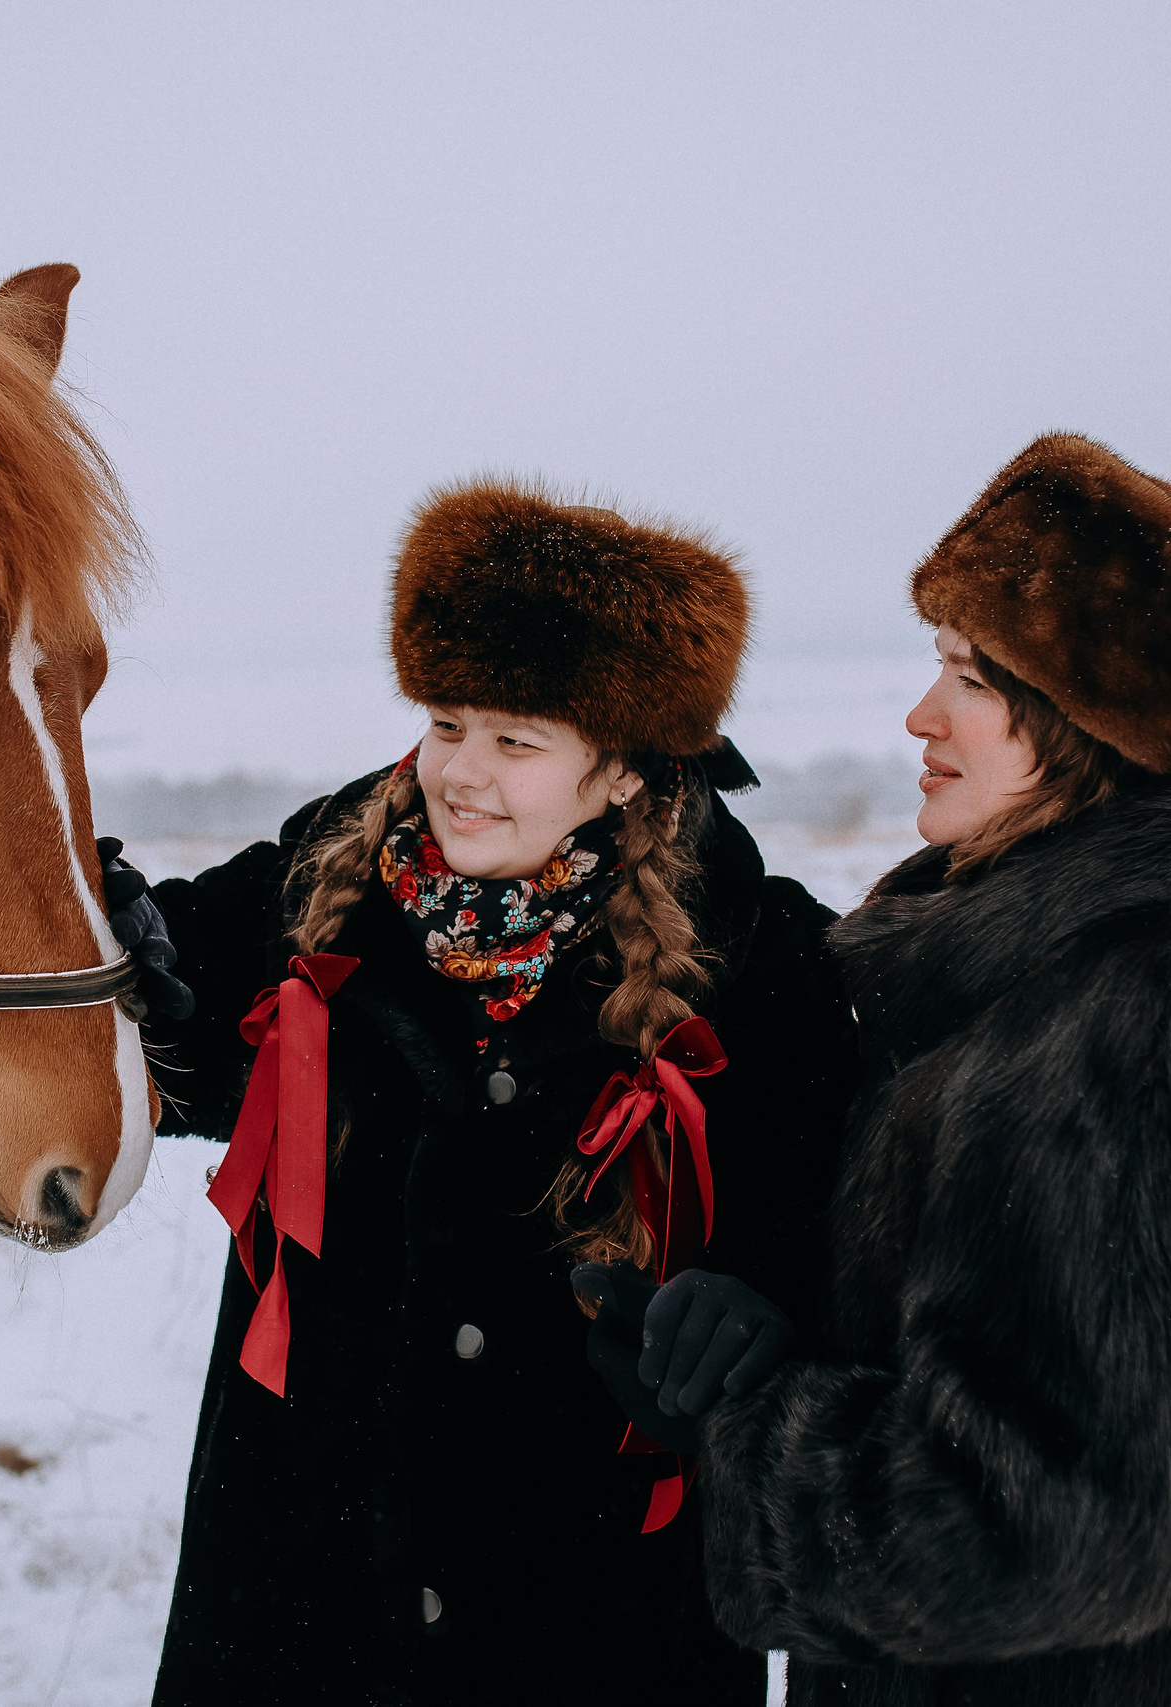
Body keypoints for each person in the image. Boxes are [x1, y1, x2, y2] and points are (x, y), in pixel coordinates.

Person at [584, 435, 1171, 1704]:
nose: (922, 716)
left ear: (1090, 725)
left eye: (972, 678)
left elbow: (1073, 1522)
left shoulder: (1159, 1015)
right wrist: (770, 1315)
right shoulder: (1047, 978)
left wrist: (752, 1427)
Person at [129, 481, 859, 1705]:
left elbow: (828, 1224)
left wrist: (765, 1306)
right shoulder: (312, 892)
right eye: (445, 723)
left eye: (517, 742)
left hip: (587, 1611)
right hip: (305, 1589)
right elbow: (150, 1042)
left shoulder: (760, 965)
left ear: (623, 769)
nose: (460, 773)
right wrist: (88, 942)